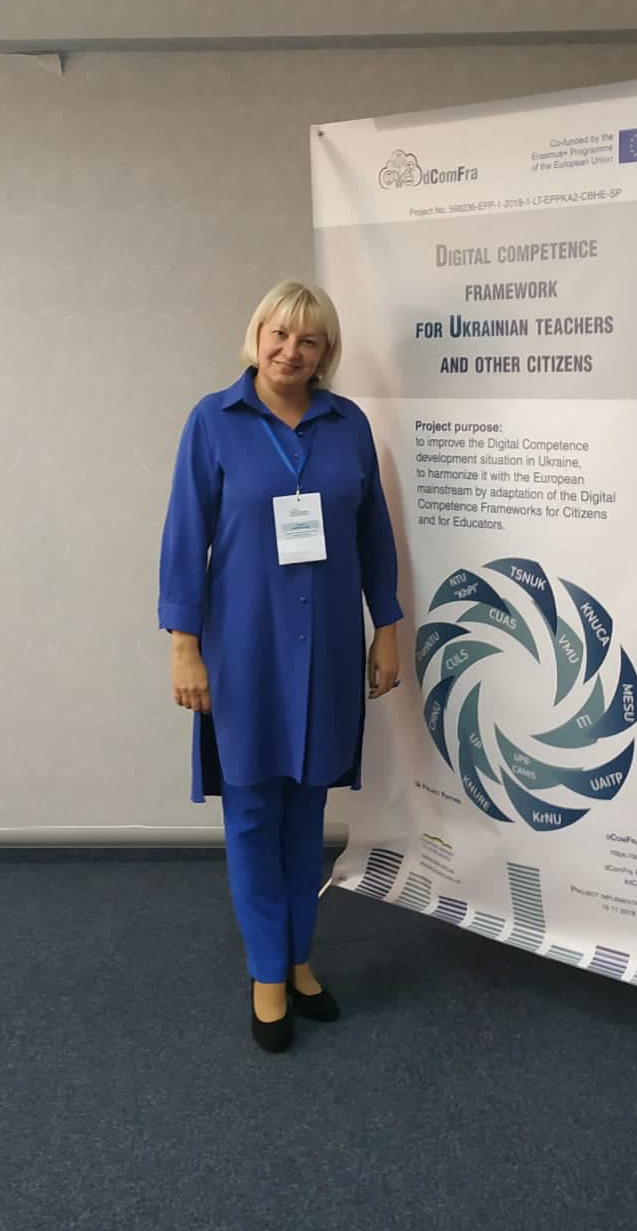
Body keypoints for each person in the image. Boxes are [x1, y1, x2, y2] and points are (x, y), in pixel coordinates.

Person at [158, 280, 402, 1053]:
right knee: (254, 812)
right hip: (244, 650)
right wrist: (184, 645)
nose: (289, 351)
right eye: (278, 333)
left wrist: (387, 625)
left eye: (308, 340)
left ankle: (299, 958)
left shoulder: (347, 424)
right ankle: (268, 970)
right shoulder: (213, 421)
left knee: (305, 812)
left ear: (324, 352)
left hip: (326, 647)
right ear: (256, 334)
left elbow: (373, 534)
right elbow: (183, 538)